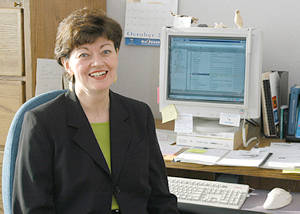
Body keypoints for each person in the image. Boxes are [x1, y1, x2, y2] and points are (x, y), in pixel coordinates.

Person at [12, 8, 179, 214]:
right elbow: (32, 208)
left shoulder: (139, 114)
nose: (98, 62)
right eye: (84, 54)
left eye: (106, 51)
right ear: (67, 65)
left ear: (116, 55)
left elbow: (160, 197)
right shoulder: (42, 122)